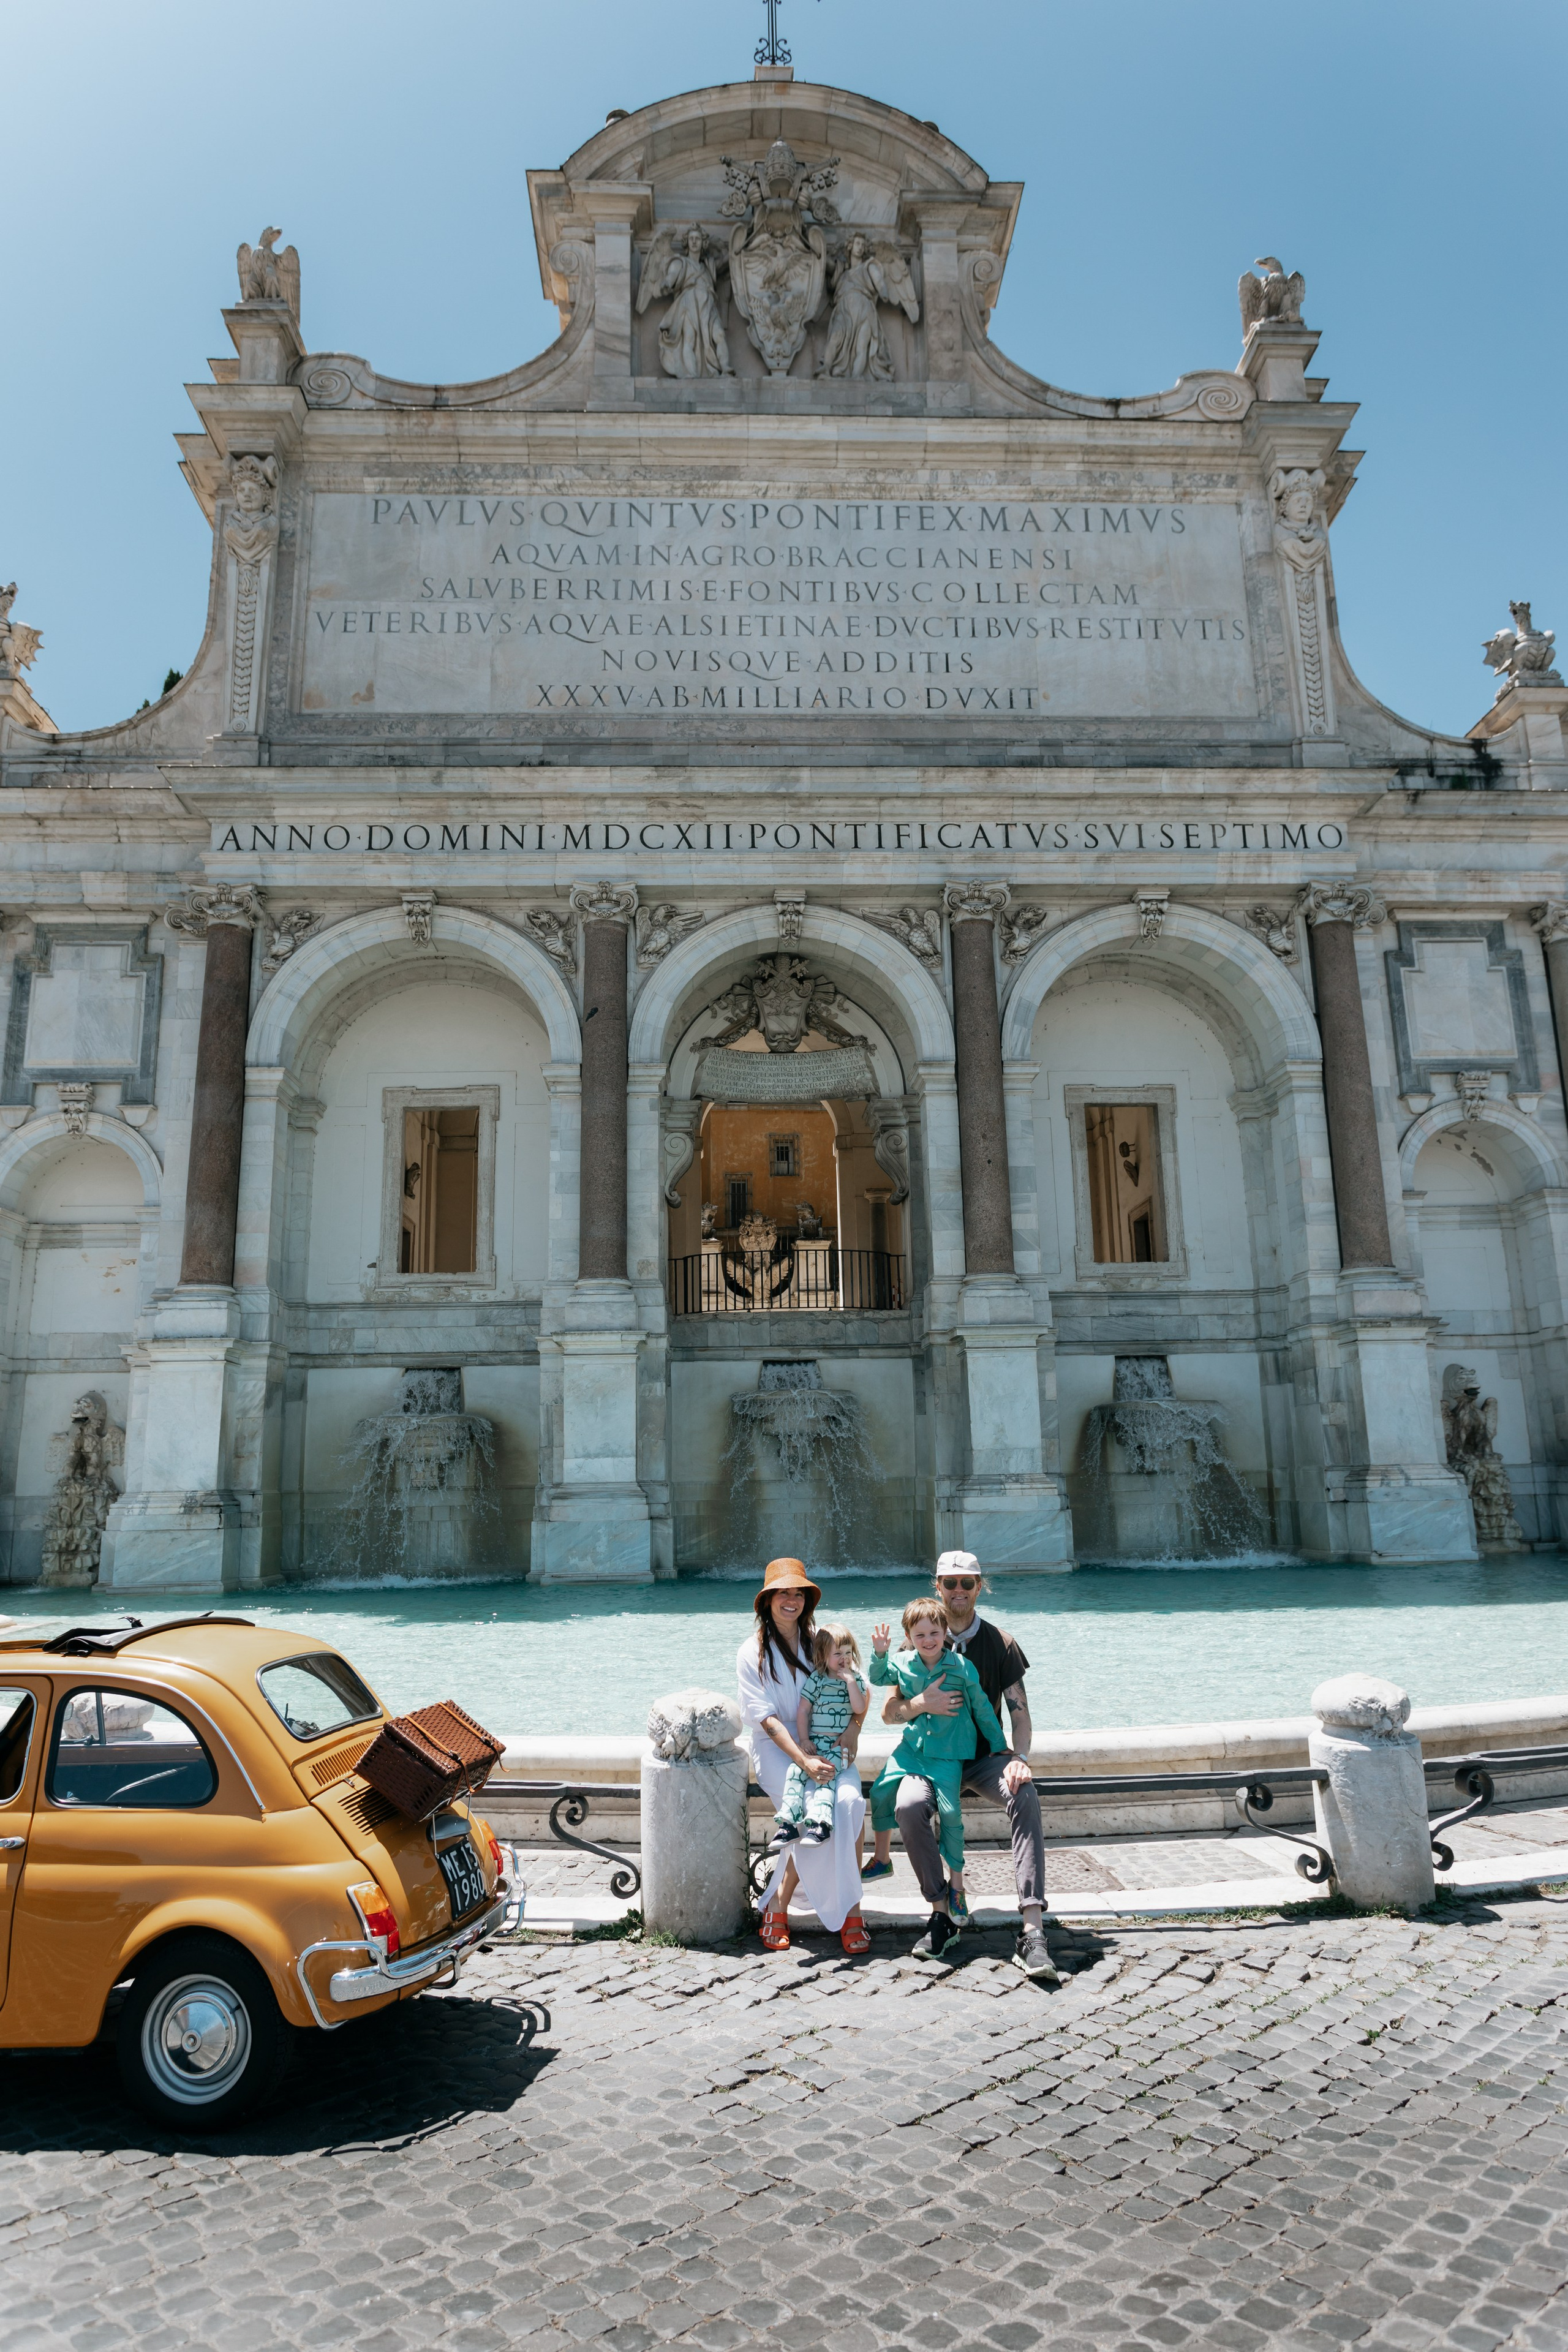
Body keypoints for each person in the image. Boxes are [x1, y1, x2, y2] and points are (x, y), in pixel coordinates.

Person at [867, 1550, 1060, 1983]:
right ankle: (942, 1913)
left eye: (967, 1583)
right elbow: (889, 1712)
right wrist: (921, 1704)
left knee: (1025, 1794)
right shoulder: (913, 1640)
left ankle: (1032, 1928)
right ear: (937, 1586)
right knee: (908, 1806)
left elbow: (1020, 1713)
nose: (958, 1591)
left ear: (979, 1586)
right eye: (950, 1583)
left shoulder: (1001, 1643)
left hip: (984, 1760)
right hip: (932, 1758)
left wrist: (1020, 1759)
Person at [737, 1558, 870, 1955]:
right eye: (783, 1592)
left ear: (807, 1600)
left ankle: (844, 1907)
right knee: (815, 1808)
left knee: (849, 1804)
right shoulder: (751, 1652)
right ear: (768, 1601)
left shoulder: (821, 1638)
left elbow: (858, 1684)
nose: (791, 1600)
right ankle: (796, 1905)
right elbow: (768, 1721)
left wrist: (854, 1728)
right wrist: (803, 1760)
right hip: (779, 1753)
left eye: (799, 1593)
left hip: (830, 1745)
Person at [867, 1599, 1003, 1962]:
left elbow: (982, 1709)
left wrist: (1003, 1747)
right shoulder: (902, 1663)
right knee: (881, 1792)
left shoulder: (961, 1667)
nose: (928, 1640)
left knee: (952, 1815)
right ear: (909, 1637)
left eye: (934, 1633)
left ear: (946, 1633)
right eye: (920, 1634)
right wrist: (880, 1654)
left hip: (948, 1755)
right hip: (913, 1750)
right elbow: (879, 1681)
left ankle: (956, 1886)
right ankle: (882, 1858)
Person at [773, 1623, 869, 1844]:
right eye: (837, 1654)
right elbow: (804, 1711)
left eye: (848, 1653)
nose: (844, 1659)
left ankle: (821, 1823)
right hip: (816, 1741)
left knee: (826, 1775)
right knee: (794, 1772)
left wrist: (851, 1682)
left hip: (838, 1746)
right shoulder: (817, 1679)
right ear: (823, 1656)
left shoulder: (854, 1680)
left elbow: (859, 1708)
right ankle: (788, 1823)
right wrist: (804, 1740)